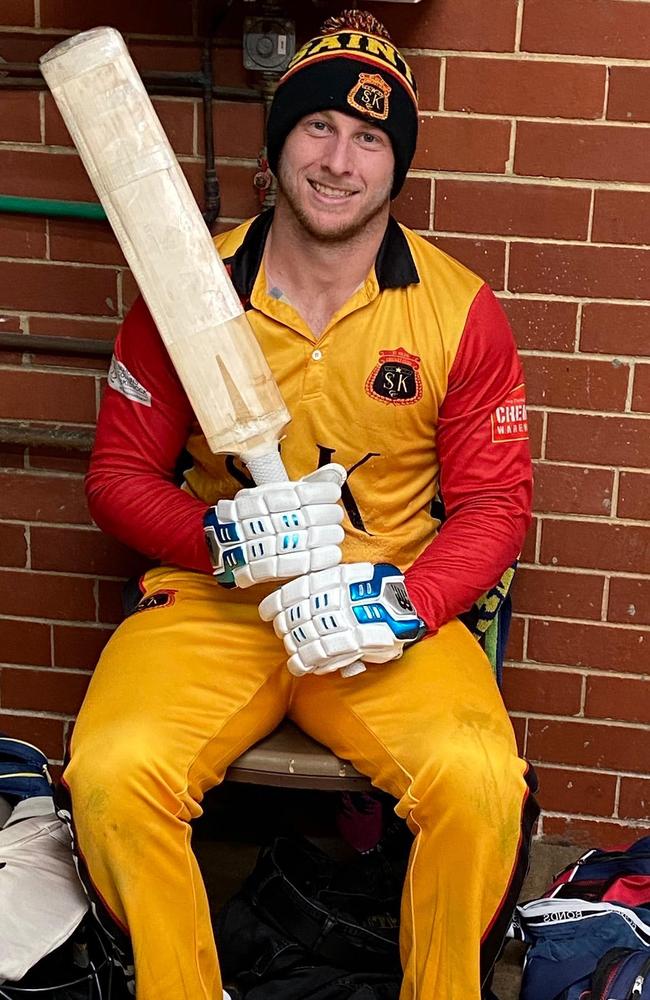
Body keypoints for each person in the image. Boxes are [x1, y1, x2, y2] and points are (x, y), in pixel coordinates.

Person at [61, 10, 539, 999]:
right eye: (316, 126)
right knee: (113, 773)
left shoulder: (456, 309)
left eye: (368, 138)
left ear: (394, 165)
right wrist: (215, 538)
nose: (338, 158)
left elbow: (494, 502)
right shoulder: (184, 291)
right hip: (213, 603)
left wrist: (405, 604)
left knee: (480, 783)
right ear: (278, 140)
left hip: (377, 606)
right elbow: (115, 478)